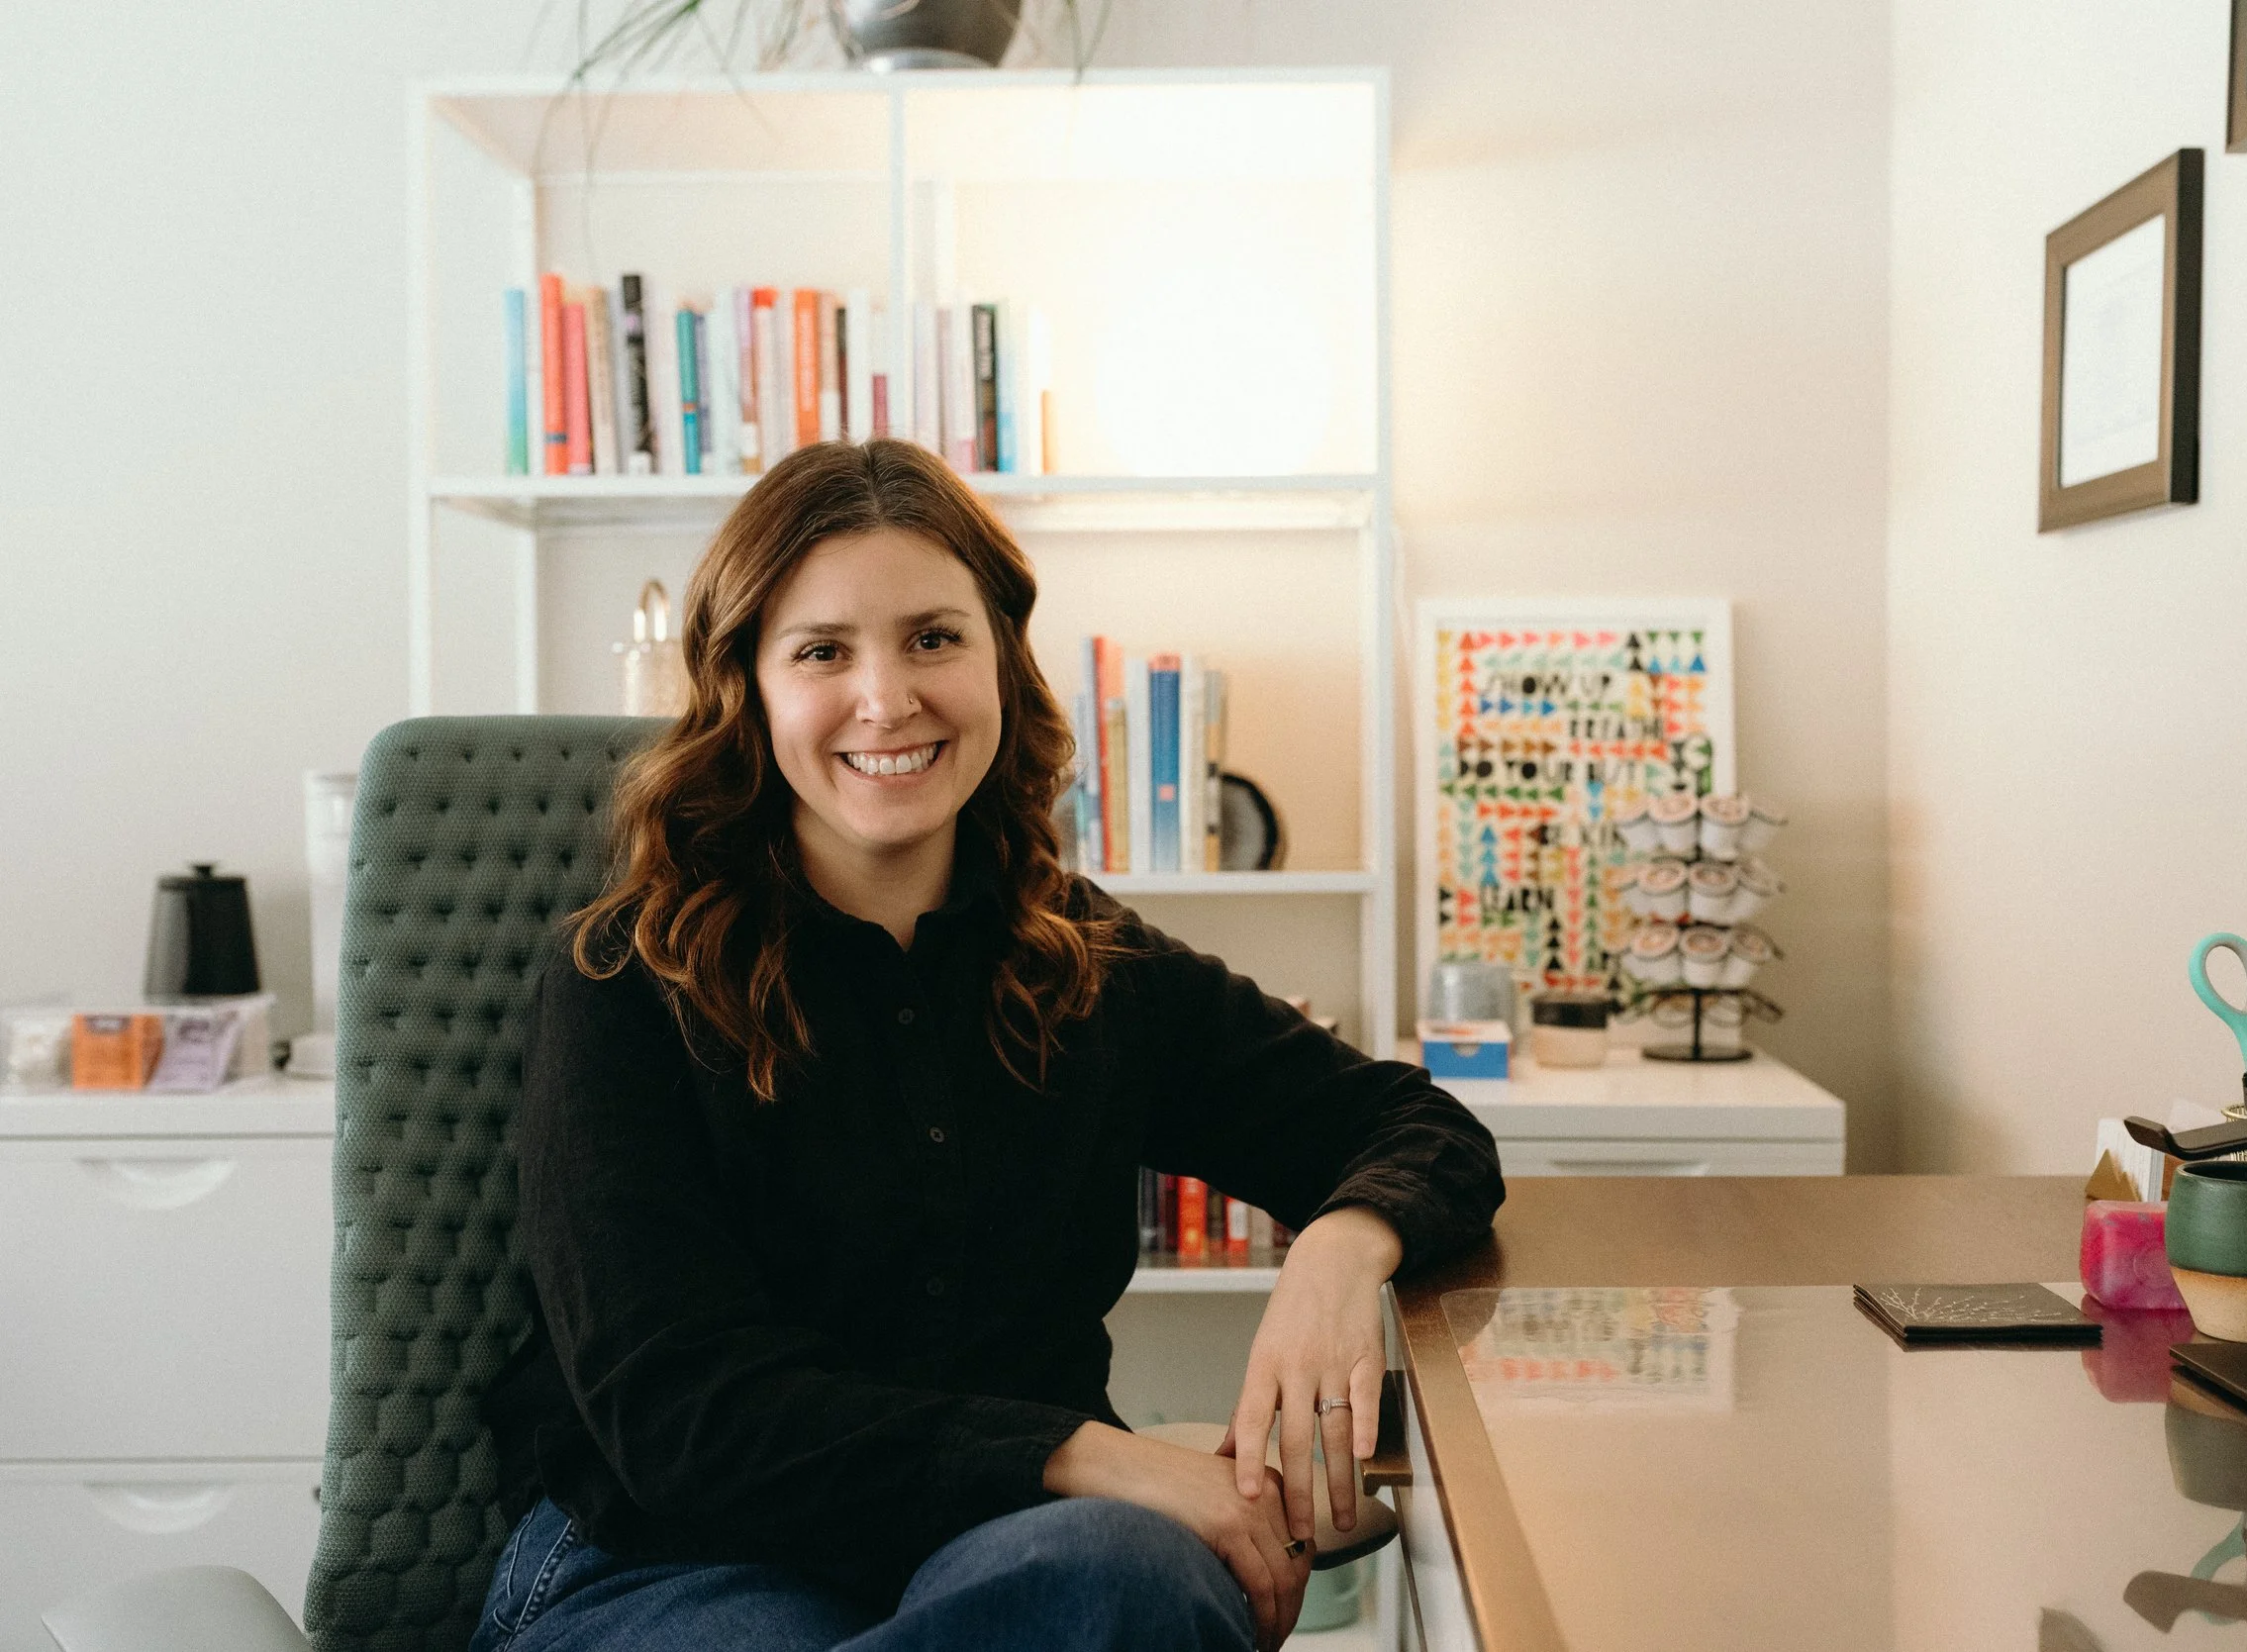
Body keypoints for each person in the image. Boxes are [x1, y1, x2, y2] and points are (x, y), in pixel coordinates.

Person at [474, 438, 1504, 1652]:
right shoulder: (625, 980)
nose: (886, 698)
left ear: (1001, 660)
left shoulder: (1086, 961)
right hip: (676, 1556)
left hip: (1012, 1545)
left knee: (1123, 1581)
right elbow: (679, 1413)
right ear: (746, 686)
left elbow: (1419, 1128)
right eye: (821, 651)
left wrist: (1338, 1251)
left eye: (932, 637)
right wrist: (1093, 1454)